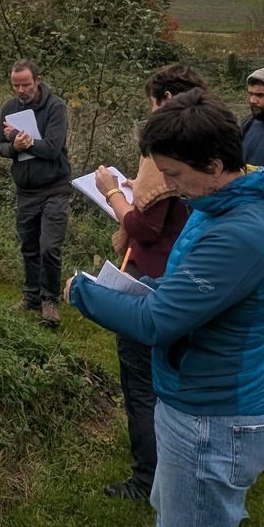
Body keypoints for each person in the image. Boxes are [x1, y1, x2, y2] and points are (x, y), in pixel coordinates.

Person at [66, 91, 264, 527]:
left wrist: (85, 292)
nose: (172, 189)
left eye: (179, 175)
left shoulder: (240, 230)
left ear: (218, 164)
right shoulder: (217, 206)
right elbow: (183, 291)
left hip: (216, 419)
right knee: (174, 523)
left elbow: (161, 322)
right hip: (194, 404)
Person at [94, 63, 208, 504]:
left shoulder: (166, 147)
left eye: (152, 104)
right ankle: (182, 465)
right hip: (184, 273)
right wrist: (132, 188)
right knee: (176, 376)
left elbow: (145, 227)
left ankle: (148, 478)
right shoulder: (203, 142)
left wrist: (110, 191)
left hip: (154, 276)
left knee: (141, 381)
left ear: (165, 100)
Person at [0, 58, 72, 327]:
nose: (20, 90)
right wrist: (15, 147)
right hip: (25, 191)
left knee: (49, 247)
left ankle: (50, 301)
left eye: (25, 84)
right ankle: (31, 297)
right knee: (29, 247)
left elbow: (52, 149)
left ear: (37, 81)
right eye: (16, 85)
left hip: (55, 188)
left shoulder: (55, 107)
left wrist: (19, 137)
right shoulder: (8, 107)